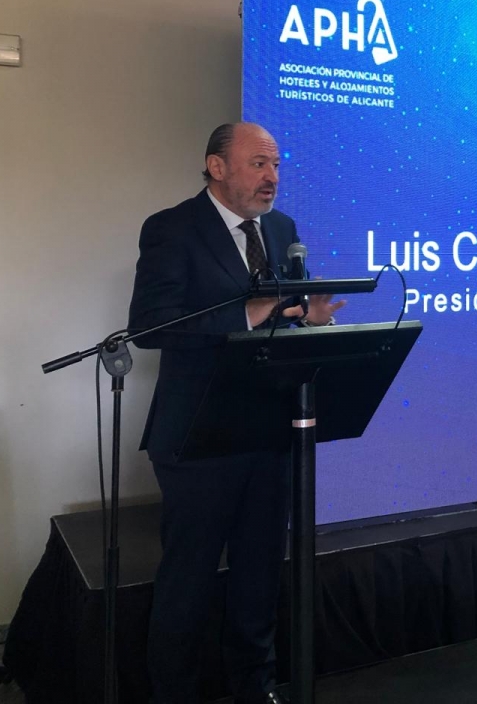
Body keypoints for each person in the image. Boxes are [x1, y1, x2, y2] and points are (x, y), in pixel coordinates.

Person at [129, 122, 343, 704]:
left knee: (258, 578)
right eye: (258, 164)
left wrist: (309, 319)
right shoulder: (172, 228)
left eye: (276, 166)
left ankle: (255, 688)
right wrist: (251, 313)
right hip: (197, 438)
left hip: (270, 431)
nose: (272, 177)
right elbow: (150, 326)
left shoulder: (282, 229)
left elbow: (288, 315)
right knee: (189, 582)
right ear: (216, 167)